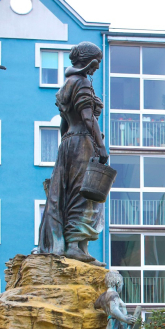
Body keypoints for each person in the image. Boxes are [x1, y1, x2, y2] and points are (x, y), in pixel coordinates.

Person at [38, 42, 109, 266]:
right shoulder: (82, 82)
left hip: (69, 143)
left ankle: (80, 247)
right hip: (82, 143)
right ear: (90, 62)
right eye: (96, 62)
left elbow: (63, 125)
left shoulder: (68, 84)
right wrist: (100, 146)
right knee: (84, 194)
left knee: (71, 192)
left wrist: (65, 149)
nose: (97, 68)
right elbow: (89, 119)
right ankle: (74, 246)